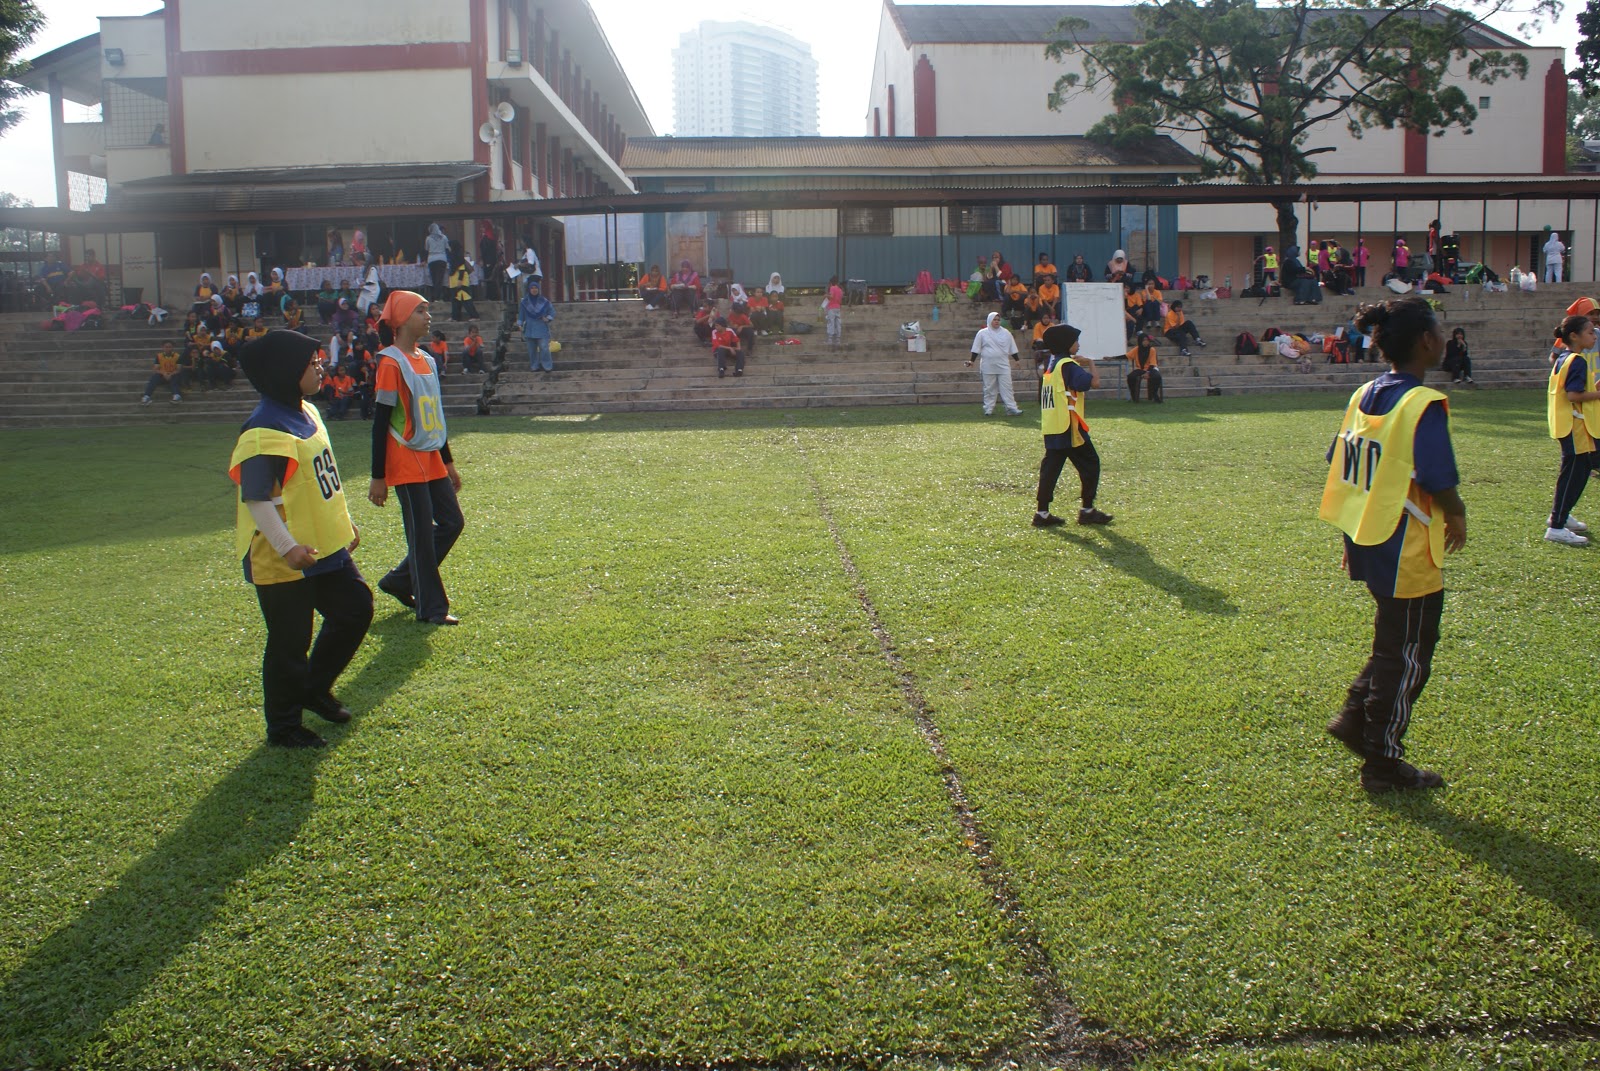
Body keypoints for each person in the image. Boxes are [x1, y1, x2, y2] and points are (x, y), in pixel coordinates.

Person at [1320, 296, 1466, 792]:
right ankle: (1382, 760)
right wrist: (1459, 513)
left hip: (1369, 534)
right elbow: (1437, 475)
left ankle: (1355, 717)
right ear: (1426, 342)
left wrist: (1351, 535)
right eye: (1439, 331)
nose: (1443, 338)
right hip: (1406, 544)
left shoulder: (1364, 393)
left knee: (1394, 641)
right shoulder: (1421, 402)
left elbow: (1342, 464)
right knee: (1408, 652)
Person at [229, 329, 372, 748]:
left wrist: (342, 524)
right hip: (282, 555)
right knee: (290, 642)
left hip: (322, 546)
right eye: (312, 362)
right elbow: (256, 498)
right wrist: (286, 546)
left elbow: (318, 478)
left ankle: (313, 688)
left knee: (355, 609)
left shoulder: (307, 410)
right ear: (285, 370)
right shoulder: (261, 430)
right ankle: (284, 727)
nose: (320, 366)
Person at [368, 290, 465, 626]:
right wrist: (377, 475)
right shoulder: (390, 362)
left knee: (453, 522)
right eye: (421, 311)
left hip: (432, 456)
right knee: (421, 535)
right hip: (404, 460)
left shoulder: (429, 360)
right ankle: (432, 609)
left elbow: (433, 415)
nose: (428, 316)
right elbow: (381, 422)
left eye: (428, 310)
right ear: (401, 319)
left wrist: (448, 460)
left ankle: (398, 579)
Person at [1034, 323, 1112, 527]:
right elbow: (1094, 383)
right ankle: (1087, 510)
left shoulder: (1051, 366)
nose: (1078, 344)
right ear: (1066, 343)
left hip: (1053, 426)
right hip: (1069, 427)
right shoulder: (1068, 365)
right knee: (1091, 464)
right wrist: (1091, 363)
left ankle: (1041, 513)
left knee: (1050, 470)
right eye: (1075, 340)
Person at [1546, 313, 1600, 545]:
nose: (1594, 335)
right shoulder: (1576, 361)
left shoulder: (1567, 358)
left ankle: (1560, 517)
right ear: (1574, 336)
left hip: (1569, 424)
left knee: (1577, 470)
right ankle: (1557, 526)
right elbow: (1573, 395)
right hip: (1575, 425)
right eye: (1590, 332)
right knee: (1574, 472)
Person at [965, 311, 1023, 416]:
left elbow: (1012, 348)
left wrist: (1017, 360)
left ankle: (1011, 408)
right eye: (994, 320)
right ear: (989, 321)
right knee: (989, 388)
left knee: (1007, 387)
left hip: (1003, 365)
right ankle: (989, 408)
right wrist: (971, 361)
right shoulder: (982, 333)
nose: (996, 322)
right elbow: (976, 349)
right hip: (988, 365)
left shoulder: (1006, 333)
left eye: (998, 320)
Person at [518, 277, 555, 373]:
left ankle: (547, 366)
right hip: (529, 328)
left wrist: (547, 318)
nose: (534, 290)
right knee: (531, 350)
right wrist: (520, 324)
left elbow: (552, 312)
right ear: (529, 290)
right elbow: (521, 315)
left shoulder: (545, 301)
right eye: (532, 288)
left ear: (538, 289)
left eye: (536, 288)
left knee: (544, 347)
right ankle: (534, 366)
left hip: (541, 327)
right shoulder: (524, 302)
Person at [141, 340, 187, 404]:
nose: (168, 349)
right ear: (163, 347)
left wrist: (170, 374)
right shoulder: (159, 356)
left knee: (176, 377)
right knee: (154, 377)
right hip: (163, 375)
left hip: (174, 375)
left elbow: (178, 370)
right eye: (166, 347)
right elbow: (156, 369)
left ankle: (177, 396)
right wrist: (164, 373)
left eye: (170, 347)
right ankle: (146, 396)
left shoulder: (177, 356)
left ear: (173, 347)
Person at [1127, 333, 1162, 402]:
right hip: (1140, 369)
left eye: (1147, 340)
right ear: (1140, 341)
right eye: (1144, 340)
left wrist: (1147, 372)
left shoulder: (1152, 349)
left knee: (1157, 376)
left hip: (1151, 369)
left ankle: (1154, 394)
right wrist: (1112, 358)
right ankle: (1134, 396)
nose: (1146, 342)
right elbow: (1127, 356)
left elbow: (1152, 364)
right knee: (1131, 377)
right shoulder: (1136, 349)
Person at [424, 223, 451, 301]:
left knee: (434, 278)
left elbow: (426, 249)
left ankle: (435, 296)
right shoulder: (444, 237)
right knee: (440, 278)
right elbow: (447, 248)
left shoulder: (428, 238)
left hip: (432, 259)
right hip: (442, 259)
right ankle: (438, 296)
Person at [825, 275, 844, 347]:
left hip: (831, 308)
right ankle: (838, 340)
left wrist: (826, 295)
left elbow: (831, 296)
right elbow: (840, 301)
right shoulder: (840, 290)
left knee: (831, 323)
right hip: (838, 308)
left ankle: (830, 340)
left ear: (831, 282)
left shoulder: (832, 288)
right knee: (838, 323)